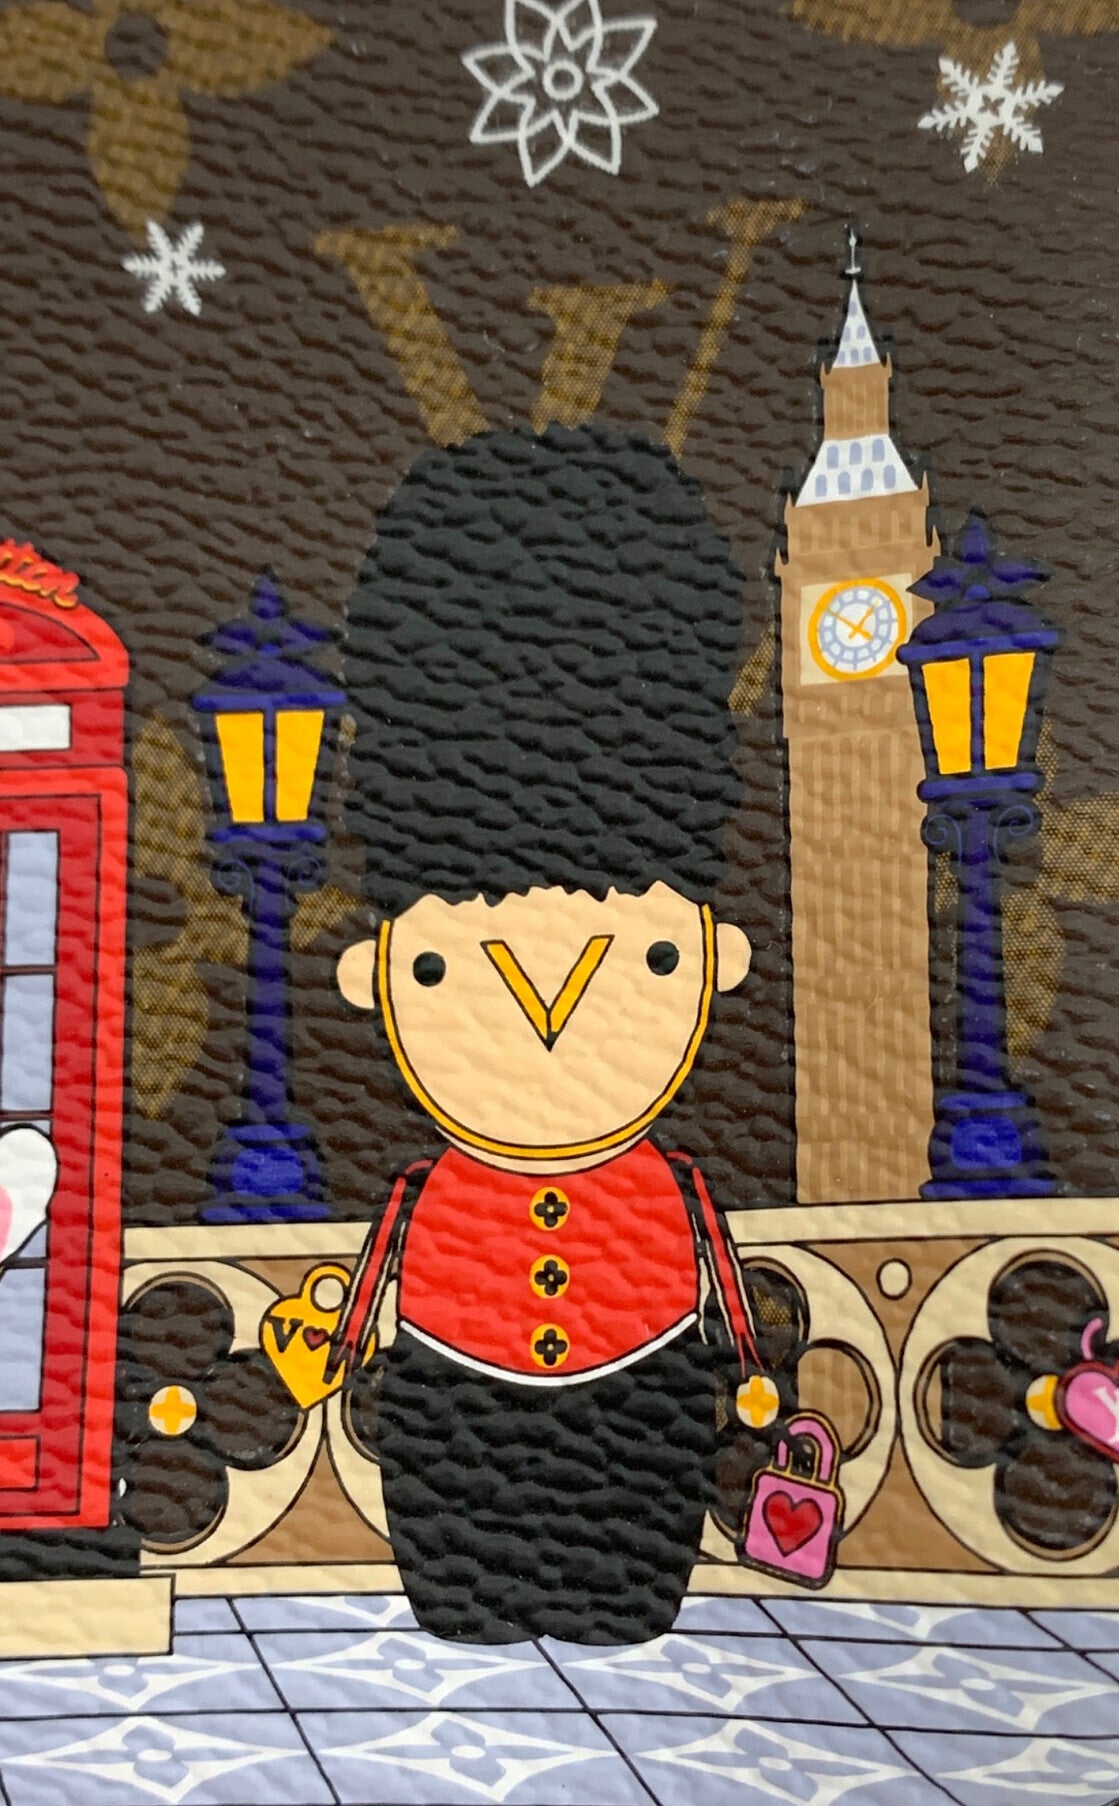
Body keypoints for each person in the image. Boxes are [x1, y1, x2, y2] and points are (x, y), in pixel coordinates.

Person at [329, 424, 770, 1646]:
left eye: (645, 959)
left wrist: (753, 1370)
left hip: (643, 1388)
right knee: (465, 1581)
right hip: (453, 1392)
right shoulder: (444, 1192)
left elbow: (726, 1298)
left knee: (625, 1579)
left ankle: (615, 1586)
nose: (546, 1024)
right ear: (377, 975)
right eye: (445, 966)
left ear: (715, 958)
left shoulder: (661, 1185)